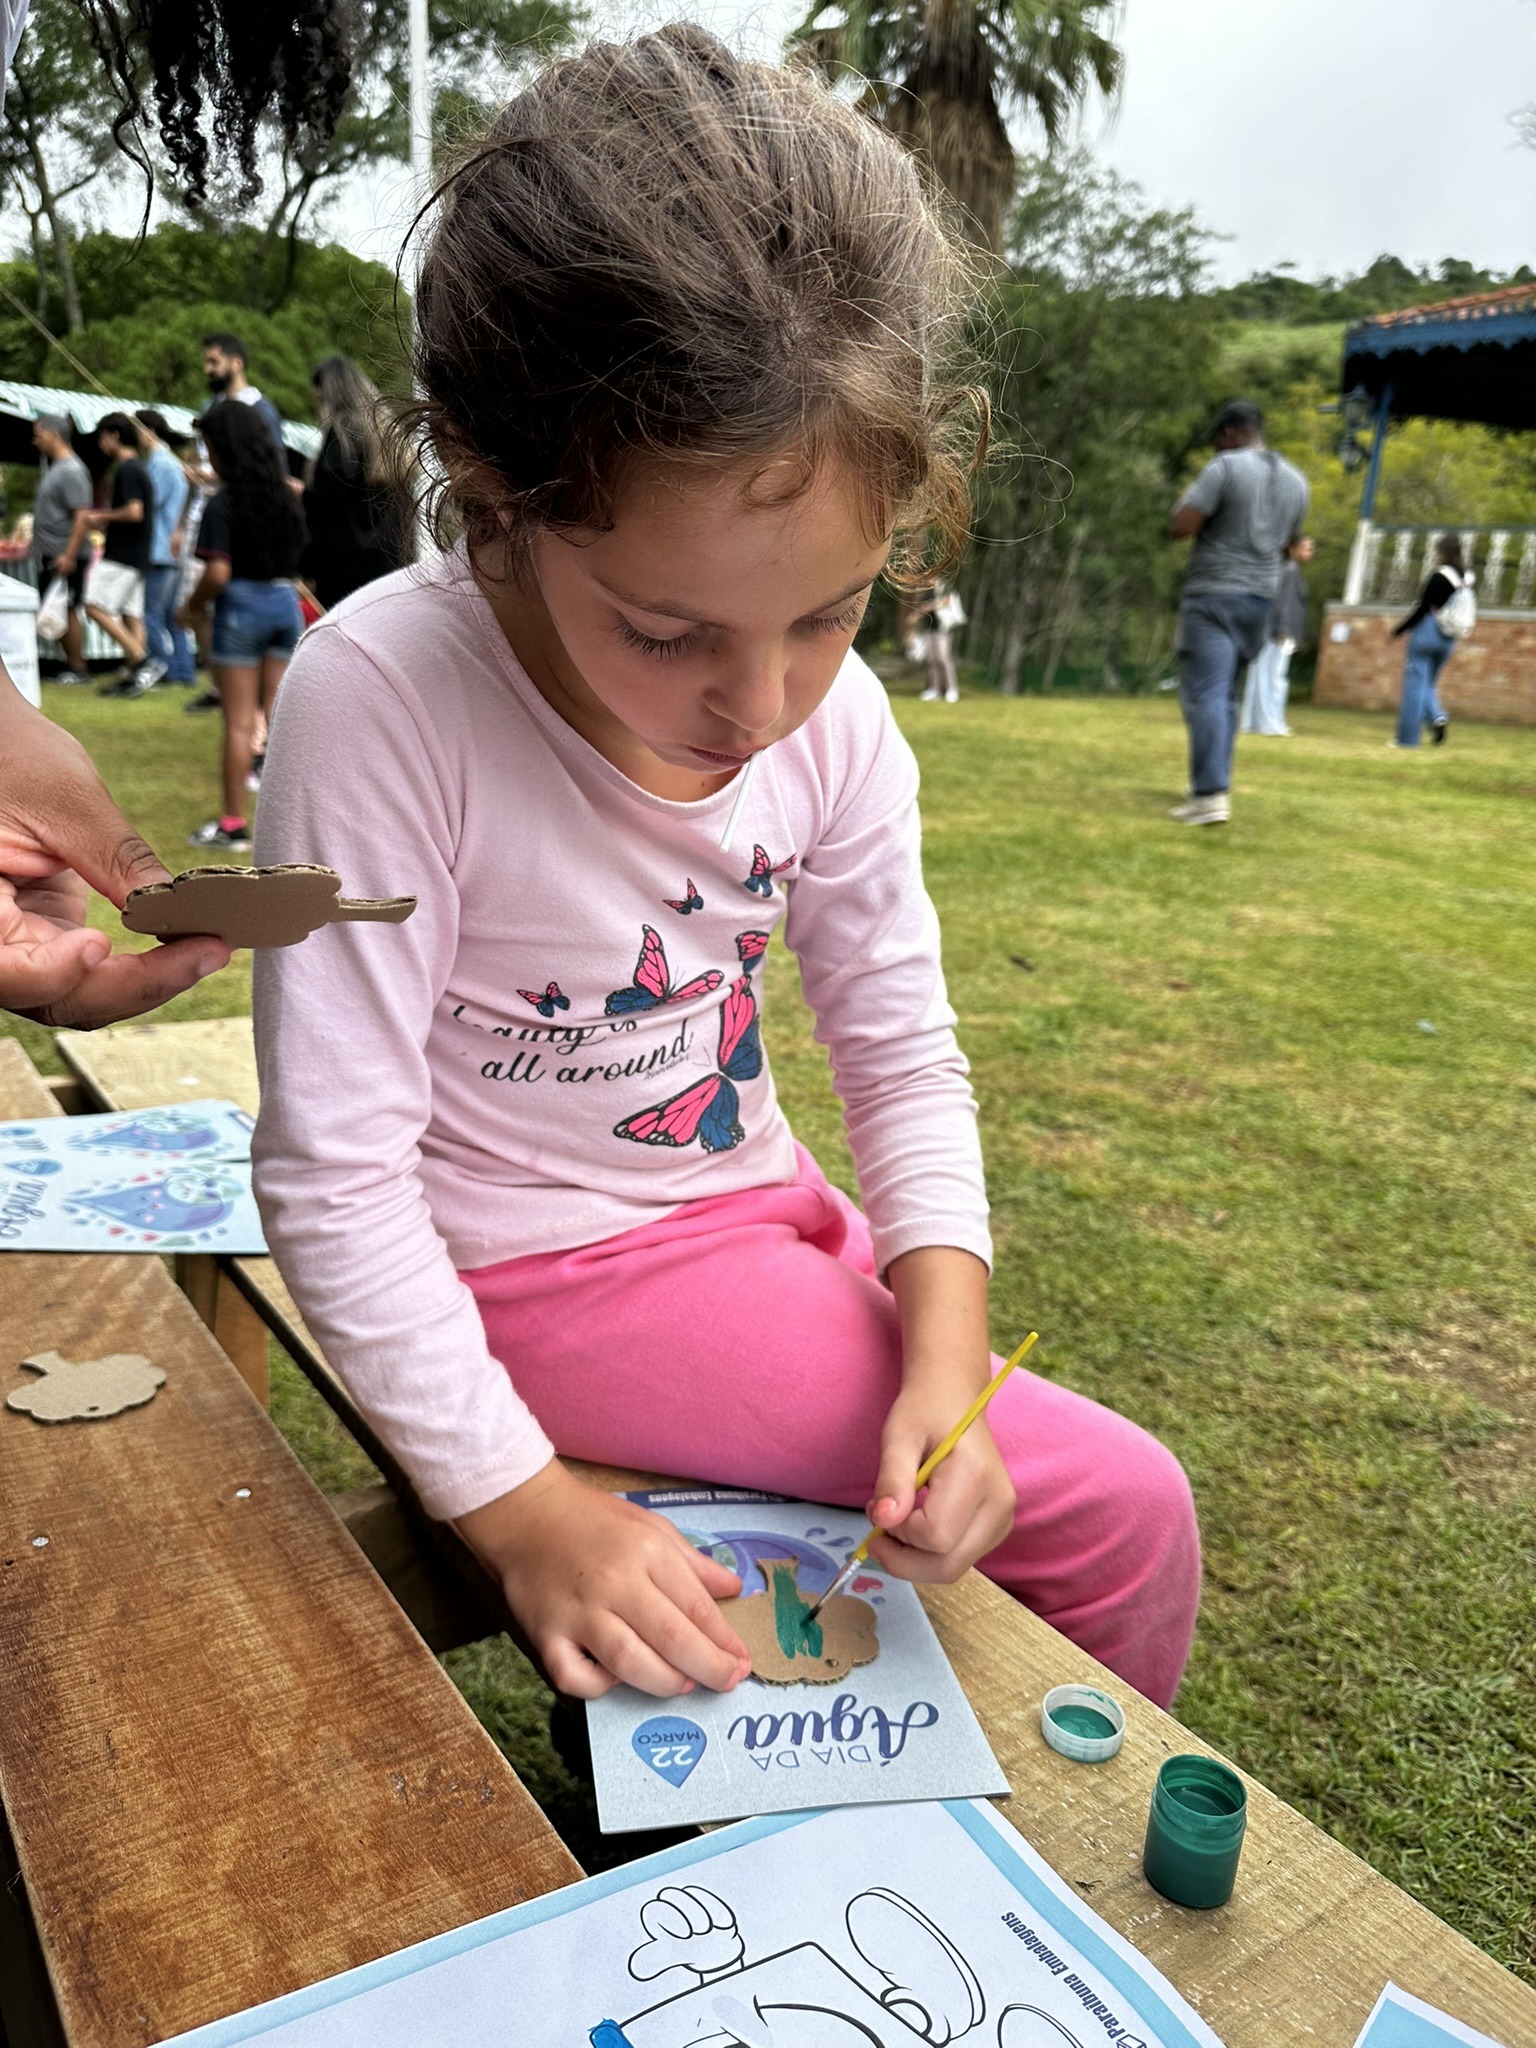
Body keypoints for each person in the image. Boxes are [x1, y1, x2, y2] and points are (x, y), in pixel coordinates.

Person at [252, 30, 1200, 1712]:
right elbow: (333, 1175)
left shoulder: (834, 732)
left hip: (754, 1207)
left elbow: (897, 1044)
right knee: (1123, 1511)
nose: (759, 706)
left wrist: (946, 1330)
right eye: (669, 628)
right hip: (537, 1271)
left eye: (830, 614)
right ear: (492, 489)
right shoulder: (383, 697)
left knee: (995, 1477)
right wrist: (522, 1506)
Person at [1168, 400, 1308, 825]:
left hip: (1213, 595)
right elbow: (1292, 545)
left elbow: (1182, 524)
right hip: (1260, 599)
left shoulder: (1225, 467)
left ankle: (1209, 795)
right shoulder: (1297, 482)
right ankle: (1212, 787)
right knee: (1226, 695)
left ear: (1228, 434)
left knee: (1206, 694)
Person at [179, 402, 306, 851]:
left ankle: (232, 824)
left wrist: (190, 609)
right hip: (283, 605)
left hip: (240, 610)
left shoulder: (221, 506)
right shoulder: (287, 495)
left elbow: (216, 575)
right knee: (279, 720)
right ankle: (295, 826)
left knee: (237, 724)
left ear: (223, 449)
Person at [302, 355, 413, 609]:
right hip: (390, 566)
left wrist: (304, 495)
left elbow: (326, 504)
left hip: (346, 573)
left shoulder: (341, 437)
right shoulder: (387, 436)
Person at [55, 413, 154, 687]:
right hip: (138, 555)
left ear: (114, 435)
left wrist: (102, 517)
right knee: (131, 614)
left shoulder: (127, 469)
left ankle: (140, 658)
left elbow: (135, 512)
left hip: (122, 555)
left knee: (93, 604)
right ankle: (135, 676)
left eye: (102, 436)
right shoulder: (140, 469)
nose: (100, 442)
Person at [129, 408, 195, 692]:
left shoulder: (161, 464)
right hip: (170, 550)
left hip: (160, 549)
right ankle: (183, 671)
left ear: (150, 431)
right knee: (170, 615)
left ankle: (163, 667)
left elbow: (148, 503)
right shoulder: (168, 462)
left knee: (151, 613)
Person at [29, 413, 92, 682]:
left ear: (54, 434)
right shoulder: (55, 468)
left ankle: (78, 667)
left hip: (66, 553)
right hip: (50, 552)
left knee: (67, 609)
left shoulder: (72, 470)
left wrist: (69, 554)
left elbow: (82, 516)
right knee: (55, 609)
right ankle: (70, 663)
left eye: (38, 435)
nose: (35, 441)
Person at [1391, 536, 1470, 748]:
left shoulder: (1439, 576)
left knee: (1415, 685)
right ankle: (1437, 717)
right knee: (1427, 683)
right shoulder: (1466, 578)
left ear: (1442, 552)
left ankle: (1407, 739)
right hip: (1449, 637)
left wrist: (1399, 629)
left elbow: (1423, 608)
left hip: (1427, 632)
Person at [1239, 534, 1313, 738]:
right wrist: (1284, 631)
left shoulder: (1289, 571)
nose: (1310, 553)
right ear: (1292, 549)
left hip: (1275, 632)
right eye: (1306, 548)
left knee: (1263, 676)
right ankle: (1269, 723)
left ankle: (1254, 722)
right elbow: (1284, 603)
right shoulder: (1288, 571)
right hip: (1277, 634)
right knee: (1273, 678)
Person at [202, 335, 286, 457]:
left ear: (237, 363)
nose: (207, 369)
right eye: (207, 362)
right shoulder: (209, 407)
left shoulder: (261, 411)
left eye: (214, 362)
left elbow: (274, 466)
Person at [918, 583, 965, 702]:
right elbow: (922, 607)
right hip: (930, 629)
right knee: (932, 660)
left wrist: (929, 607)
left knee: (944, 659)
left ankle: (952, 689)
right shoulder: (928, 592)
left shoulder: (947, 589)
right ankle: (934, 689)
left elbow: (945, 602)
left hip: (943, 630)